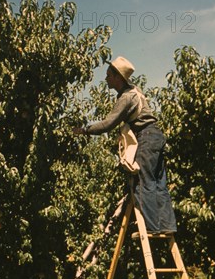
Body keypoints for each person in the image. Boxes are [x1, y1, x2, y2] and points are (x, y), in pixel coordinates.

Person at [74, 56, 177, 234]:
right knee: (158, 183)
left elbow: (108, 124)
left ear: (118, 78)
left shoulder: (127, 98)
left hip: (145, 137)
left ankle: (152, 228)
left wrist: (84, 130)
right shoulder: (135, 91)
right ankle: (167, 226)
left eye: (109, 75)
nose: (106, 79)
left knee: (142, 182)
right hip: (156, 136)